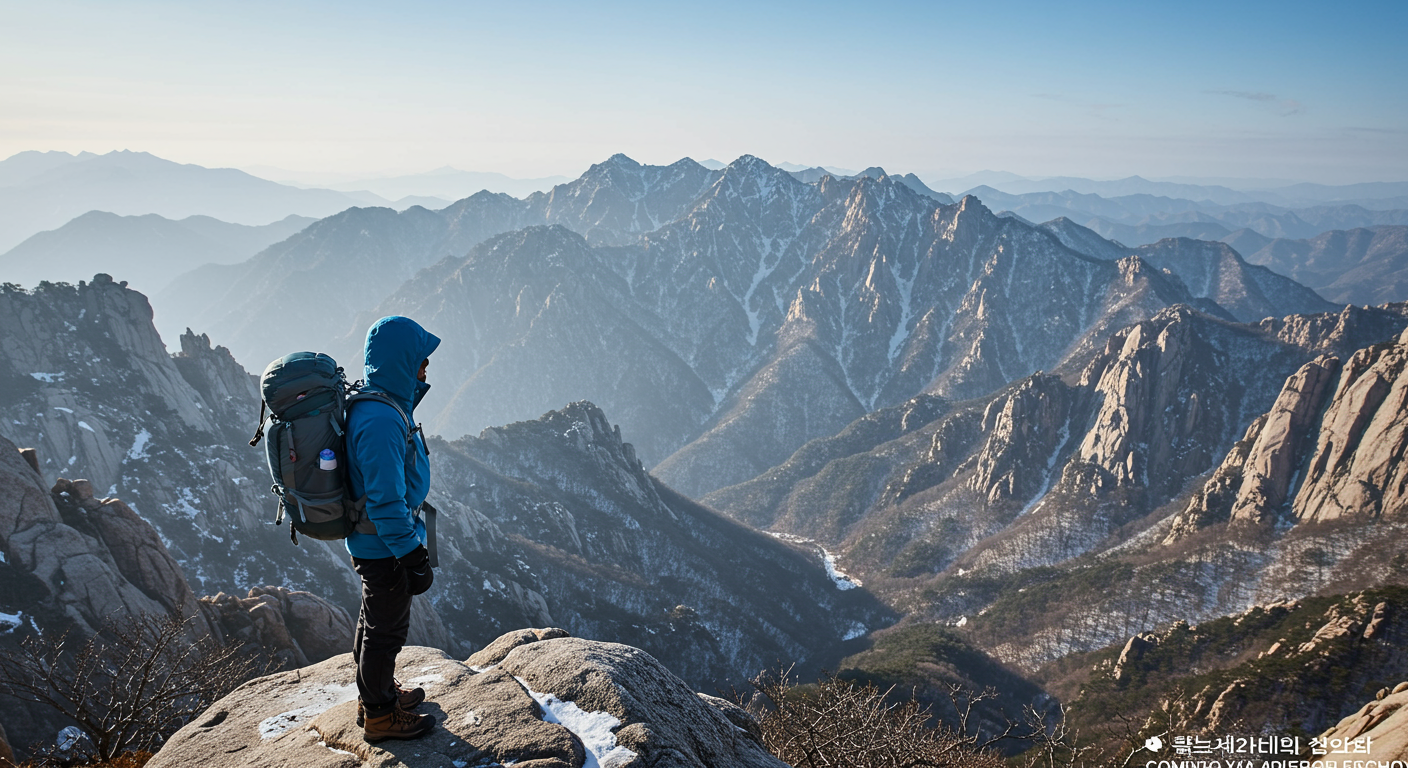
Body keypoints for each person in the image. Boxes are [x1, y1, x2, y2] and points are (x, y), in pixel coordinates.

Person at [345, 315, 440, 742]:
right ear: (402, 361)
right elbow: (384, 501)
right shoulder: (381, 419)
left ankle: (376, 695)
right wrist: (412, 554)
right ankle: (381, 717)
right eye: (421, 360)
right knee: (386, 631)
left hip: (378, 541)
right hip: (384, 545)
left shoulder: (381, 403)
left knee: (373, 621)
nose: (425, 369)